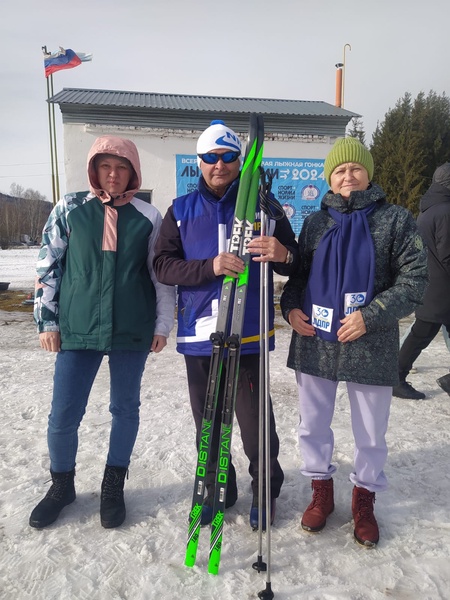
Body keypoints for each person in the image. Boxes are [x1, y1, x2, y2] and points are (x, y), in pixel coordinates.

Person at [280, 137, 427, 546]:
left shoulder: (395, 219)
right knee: (312, 424)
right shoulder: (315, 222)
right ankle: (321, 492)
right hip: (316, 342)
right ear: (330, 178)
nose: (348, 176)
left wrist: (371, 316)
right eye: (340, 170)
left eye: (355, 169)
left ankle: (364, 499)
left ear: (368, 174)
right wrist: (290, 310)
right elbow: (298, 278)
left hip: (370, 343)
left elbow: (416, 280)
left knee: (371, 432)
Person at [153, 120, 299, 528]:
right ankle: (221, 485)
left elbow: (297, 259)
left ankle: (266, 489)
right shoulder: (180, 210)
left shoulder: (265, 207)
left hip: (248, 333)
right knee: (210, 424)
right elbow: (162, 265)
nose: (220, 165)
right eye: (211, 158)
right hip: (200, 335)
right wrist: (210, 267)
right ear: (199, 162)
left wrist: (283, 252)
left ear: (240, 160)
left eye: (228, 156)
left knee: (255, 426)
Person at [30, 136, 175, 529]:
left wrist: (163, 324)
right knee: (63, 414)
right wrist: (48, 321)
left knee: (125, 409)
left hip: (132, 328)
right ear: (94, 169)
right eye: (105, 166)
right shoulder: (71, 208)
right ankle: (62, 486)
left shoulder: (149, 216)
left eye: (122, 167)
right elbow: (48, 266)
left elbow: (160, 276)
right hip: (77, 329)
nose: (113, 174)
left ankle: (114, 485)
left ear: (133, 172)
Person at [393, 163, 450, 400]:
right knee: (420, 334)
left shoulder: (430, 208)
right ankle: (395, 377)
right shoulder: (446, 211)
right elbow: (447, 254)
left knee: (421, 333)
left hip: (432, 284)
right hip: (441, 288)